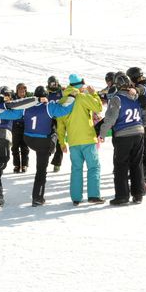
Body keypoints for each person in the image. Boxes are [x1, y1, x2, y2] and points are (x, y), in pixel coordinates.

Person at [0, 86, 75, 206]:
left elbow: (6, 114)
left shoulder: (26, 107)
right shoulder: (49, 106)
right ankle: (38, 197)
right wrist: (72, 97)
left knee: (45, 142)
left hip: (29, 139)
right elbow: (65, 110)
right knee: (41, 170)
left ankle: (48, 151)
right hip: (42, 141)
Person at [98, 73, 146, 206]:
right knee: (136, 164)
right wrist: (138, 126)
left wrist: (102, 134)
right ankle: (138, 194)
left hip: (123, 136)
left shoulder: (117, 98)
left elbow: (110, 119)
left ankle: (122, 196)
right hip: (138, 134)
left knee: (121, 166)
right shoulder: (137, 97)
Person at [58, 73, 105, 206]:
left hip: (73, 141)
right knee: (94, 167)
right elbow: (99, 108)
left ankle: (76, 198)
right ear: (80, 85)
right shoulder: (82, 97)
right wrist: (94, 94)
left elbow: (60, 125)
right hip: (88, 139)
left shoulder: (63, 101)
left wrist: (62, 142)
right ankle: (93, 195)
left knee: (76, 169)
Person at [46, 75, 65, 172]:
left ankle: (57, 163)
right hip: (49, 119)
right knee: (49, 138)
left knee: (60, 141)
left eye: (56, 83)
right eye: (53, 84)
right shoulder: (46, 93)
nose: (55, 85)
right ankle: (46, 156)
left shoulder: (62, 92)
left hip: (60, 119)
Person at [11, 82, 31, 173]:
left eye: (23, 90)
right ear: (17, 91)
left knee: (24, 146)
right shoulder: (14, 100)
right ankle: (16, 165)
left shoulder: (29, 100)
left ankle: (24, 165)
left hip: (26, 125)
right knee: (15, 146)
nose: (22, 92)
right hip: (16, 125)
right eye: (20, 90)